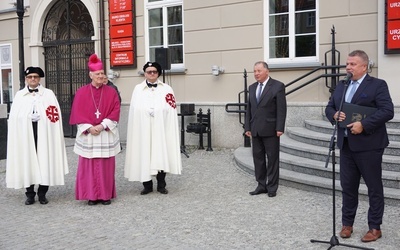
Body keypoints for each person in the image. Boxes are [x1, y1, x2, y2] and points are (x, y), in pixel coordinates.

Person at [325, 50, 394, 243]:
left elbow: (387, 111)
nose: (348, 67)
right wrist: (333, 115)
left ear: (364, 67)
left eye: (352, 64)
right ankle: (347, 224)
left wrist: (364, 125)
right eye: (347, 64)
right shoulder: (341, 85)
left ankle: (375, 227)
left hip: (369, 146)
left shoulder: (378, 85)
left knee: (374, 187)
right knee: (348, 187)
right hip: (346, 145)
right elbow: (330, 107)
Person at [6, 66, 69, 205]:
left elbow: (55, 115)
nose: (32, 79)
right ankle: (29, 194)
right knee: (27, 160)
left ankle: (42, 193)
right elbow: (15, 117)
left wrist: (43, 118)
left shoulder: (48, 94)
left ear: (39, 78)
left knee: (44, 159)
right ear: (26, 79)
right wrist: (27, 117)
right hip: (25, 134)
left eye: (35, 77)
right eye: (30, 77)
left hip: (45, 133)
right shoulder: (19, 95)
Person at [69, 54, 121, 206]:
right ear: (90, 75)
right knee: (89, 166)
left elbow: (115, 110)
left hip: (104, 133)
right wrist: (89, 127)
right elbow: (77, 112)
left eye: (102, 73)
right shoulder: (81, 92)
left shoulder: (111, 92)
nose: (100, 76)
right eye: (97, 74)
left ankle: (105, 195)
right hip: (89, 135)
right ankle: (91, 195)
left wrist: (102, 125)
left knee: (106, 165)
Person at [124, 62, 182, 195]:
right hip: (144, 128)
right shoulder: (138, 89)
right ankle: (147, 185)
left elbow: (171, 108)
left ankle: (161, 185)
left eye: (154, 71)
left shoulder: (167, 88)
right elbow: (135, 109)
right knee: (145, 153)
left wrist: (159, 112)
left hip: (161, 127)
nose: (151, 74)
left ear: (158, 73)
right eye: (149, 71)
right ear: (144, 73)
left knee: (161, 152)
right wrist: (145, 112)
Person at [244, 61, 287, 198]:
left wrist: (280, 128)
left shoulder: (277, 86)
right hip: (255, 129)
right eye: (255, 71)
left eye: (259, 71)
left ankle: (272, 187)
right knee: (258, 159)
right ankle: (261, 185)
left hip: (271, 130)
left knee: (272, 159)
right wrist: (247, 127)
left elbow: (281, 109)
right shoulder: (252, 88)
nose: (256, 74)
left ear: (267, 71)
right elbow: (249, 109)